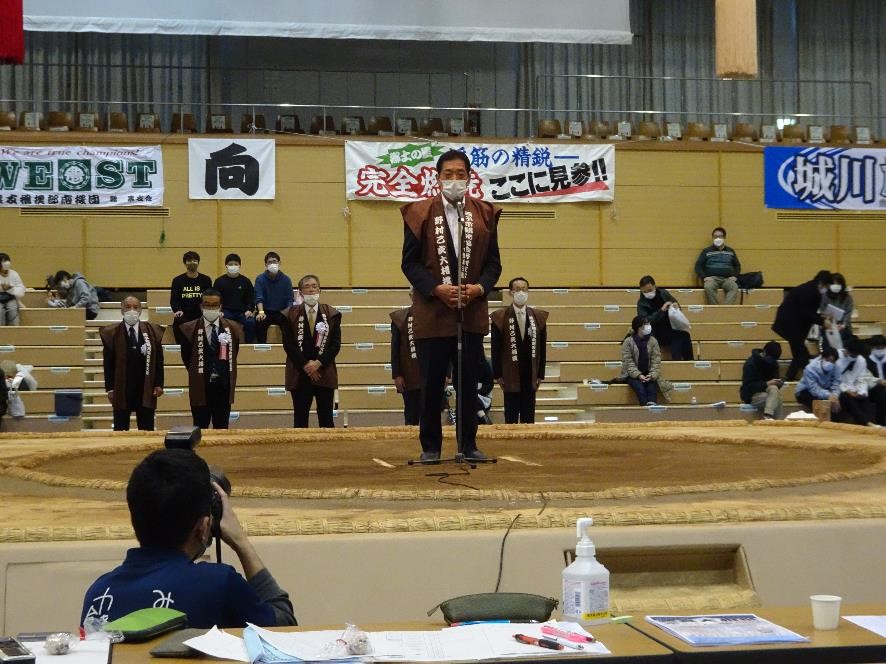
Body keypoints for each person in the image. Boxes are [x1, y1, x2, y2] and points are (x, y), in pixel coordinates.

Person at [80, 448, 296, 629]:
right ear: (203, 528)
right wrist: (240, 541)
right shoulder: (219, 584)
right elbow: (284, 628)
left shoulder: (97, 595)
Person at [401, 149, 502, 463]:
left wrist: (479, 288)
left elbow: (494, 265)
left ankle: (468, 444)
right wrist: (436, 289)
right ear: (438, 177)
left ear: (470, 178)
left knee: (468, 382)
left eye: (461, 174)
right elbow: (410, 264)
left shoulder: (484, 213)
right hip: (433, 312)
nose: (455, 180)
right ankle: (430, 446)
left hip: (469, 312)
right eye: (449, 174)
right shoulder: (419, 213)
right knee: (431, 383)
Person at [175, 289, 243, 429]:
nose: (211, 308)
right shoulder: (189, 329)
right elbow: (187, 358)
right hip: (200, 385)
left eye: (214, 305)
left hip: (222, 386)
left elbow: (234, 353)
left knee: (222, 427)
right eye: (207, 304)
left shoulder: (233, 328)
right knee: (200, 427)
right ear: (201, 306)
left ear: (220, 306)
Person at [282, 274, 341, 428]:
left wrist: (318, 363)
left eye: (314, 286)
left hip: (324, 371)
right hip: (300, 372)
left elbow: (335, 344)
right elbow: (288, 344)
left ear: (319, 289)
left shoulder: (331, 314)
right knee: (300, 419)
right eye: (307, 287)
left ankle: (327, 452)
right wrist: (306, 365)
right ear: (300, 292)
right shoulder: (290, 314)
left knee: (326, 419)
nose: (311, 289)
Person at [100, 296, 165, 431]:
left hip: (145, 386)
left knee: (147, 428)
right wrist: (110, 388)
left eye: (136, 307)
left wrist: (159, 384)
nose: (132, 310)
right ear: (122, 310)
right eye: (128, 307)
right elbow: (108, 363)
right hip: (122, 387)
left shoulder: (152, 331)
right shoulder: (112, 333)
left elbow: (159, 360)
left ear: (141, 310)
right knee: (121, 428)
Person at [490, 277, 548, 423]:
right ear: (511, 292)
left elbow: (542, 348)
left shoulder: (538, 317)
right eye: (517, 289)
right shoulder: (500, 317)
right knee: (511, 415)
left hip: (530, 373)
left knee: (529, 416)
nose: (521, 292)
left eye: (524, 289)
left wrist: (540, 374)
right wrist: (498, 374)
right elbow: (495, 348)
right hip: (510, 374)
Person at [773, 270, 832, 380]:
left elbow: (808, 312)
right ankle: (791, 379)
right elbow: (806, 313)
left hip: (791, 323)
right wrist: (822, 321)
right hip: (790, 324)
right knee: (801, 355)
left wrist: (821, 317)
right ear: (823, 283)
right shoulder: (811, 292)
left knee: (800, 355)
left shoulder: (811, 288)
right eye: (828, 286)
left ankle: (790, 378)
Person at [636, 275, 694, 361]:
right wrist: (661, 310)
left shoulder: (663, 293)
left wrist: (676, 306)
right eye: (645, 292)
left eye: (650, 290)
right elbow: (646, 321)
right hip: (653, 331)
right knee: (675, 337)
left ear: (654, 286)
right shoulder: (641, 303)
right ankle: (676, 363)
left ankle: (688, 362)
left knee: (684, 335)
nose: (648, 293)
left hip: (669, 327)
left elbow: (675, 302)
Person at [619, 315, 672, 406]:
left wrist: (652, 375)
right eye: (646, 324)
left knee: (652, 387)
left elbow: (656, 360)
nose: (649, 326)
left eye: (649, 323)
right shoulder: (628, 342)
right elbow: (628, 362)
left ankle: (652, 408)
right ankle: (644, 411)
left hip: (649, 373)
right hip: (632, 375)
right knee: (640, 388)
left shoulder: (653, 341)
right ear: (639, 327)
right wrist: (638, 375)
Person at [389, 290, 421, 426]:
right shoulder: (400, 318)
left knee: (431, 415)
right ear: (411, 296)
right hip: (409, 374)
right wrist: (397, 374)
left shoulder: (435, 315)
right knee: (411, 416)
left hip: (432, 373)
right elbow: (395, 348)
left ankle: (432, 446)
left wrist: (446, 372)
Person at [213, 253, 256, 343]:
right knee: (220, 322)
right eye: (230, 264)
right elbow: (215, 299)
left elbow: (251, 299)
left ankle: (248, 346)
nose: (233, 266)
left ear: (239, 266)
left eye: (235, 264)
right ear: (226, 265)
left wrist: (249, 310)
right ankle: (223, 347)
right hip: (226, 312)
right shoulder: (219, 281)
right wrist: (219, 311)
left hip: (242, 312)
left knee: (251, 322)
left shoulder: (245, 281)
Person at [694, 226, 741, 305]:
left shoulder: (730, 251)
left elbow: (737, 266)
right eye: (715, 236)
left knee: (734, 287)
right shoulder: (706, 251)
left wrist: (735, 276)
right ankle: (716, 309)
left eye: (720, 236)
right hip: (712, 279)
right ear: (712, 238)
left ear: (724, 237)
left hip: (727, 279)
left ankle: (726, 310)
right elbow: (698, 266)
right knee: (708, 287)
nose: (718, 238)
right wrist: (704, 277)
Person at [254, 251, 294, 343]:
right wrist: (261, 311)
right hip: (265, 311)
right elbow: (259, 297)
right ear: (266, 264)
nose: (272, 264)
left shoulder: (286, 279)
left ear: (279, 263)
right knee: (259, 321)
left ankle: (288, 349)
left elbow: (289, 299)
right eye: (270, 262)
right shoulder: (260, 279)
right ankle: (262, 349)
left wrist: (288, 313)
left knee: (289, 323)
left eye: (275, 261)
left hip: (281, 312)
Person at [739, 340, 785, 420]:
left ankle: (769, 416)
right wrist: (766, 384)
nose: (772, 361)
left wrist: (778, 383)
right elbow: (748, 387)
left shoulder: (773, 362)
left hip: (769, 392)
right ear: (764, 352)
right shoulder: (750, 364)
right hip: (752, 394)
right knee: (776, 396)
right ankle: (774, 419)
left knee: (774, 390)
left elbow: (774, 383)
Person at [835, 336, 875, 426]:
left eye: (856, 355)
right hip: (838, 389)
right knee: (847, 398)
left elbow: (861, 378)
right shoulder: (836, 356)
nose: (854, 357)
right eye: (852, 355)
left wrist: (861, 391)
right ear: (847, 349)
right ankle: (865, 423)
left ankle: (870, 422)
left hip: (853, 388)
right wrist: (847, 390)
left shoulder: (861, 360)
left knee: (865, 398)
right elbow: (833, 379)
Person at [794, 346, 840, 417]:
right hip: (805, 391)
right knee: (818, 403)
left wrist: (835, 396)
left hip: (823, 391)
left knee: (840, 401)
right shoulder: (810, 368)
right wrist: (829, 395)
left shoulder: (835, 367)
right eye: (828, 360)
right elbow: (813, 389)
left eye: (833, 362)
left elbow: (836, 383)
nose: (831, 363)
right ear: (822, 358)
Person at [170, 251, 213, 326]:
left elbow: (210, 298)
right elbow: (174, 299)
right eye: (189, 261)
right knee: (177, 320)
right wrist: (177, 310)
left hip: (201, 314)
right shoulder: (177, 280)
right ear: (185, 263)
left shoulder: (206, 280)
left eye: (195, 261)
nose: (192, 263)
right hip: (184, 314)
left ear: (198, 262)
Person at [819, 272, 854, 348]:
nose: (835, 286)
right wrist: (828, 321)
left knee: (844, 335)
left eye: (838, 284)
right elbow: (822, 311)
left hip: (843, 326)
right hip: (828, 324)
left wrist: (843, 325)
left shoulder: (848, 298)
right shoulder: (824, 296)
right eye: (833, 283)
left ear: (842, 285)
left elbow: (848, 313)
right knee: (827, 335)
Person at [864, 334, 886, 426]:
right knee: (880, 391)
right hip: (874, 389)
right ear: (872, 348)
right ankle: (880, 423)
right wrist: (879, 381)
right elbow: (866, 378)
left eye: (883, 347)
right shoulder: (866, 360)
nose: (880, 350)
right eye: (878, 347)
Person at [0, 253, 25, 326]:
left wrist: (11, 289)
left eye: (7, 261)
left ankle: (13, 333)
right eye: (3, 261)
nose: (6, 263)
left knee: (13, 310)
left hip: (11, 298)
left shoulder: (14, 274)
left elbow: (21, 291)